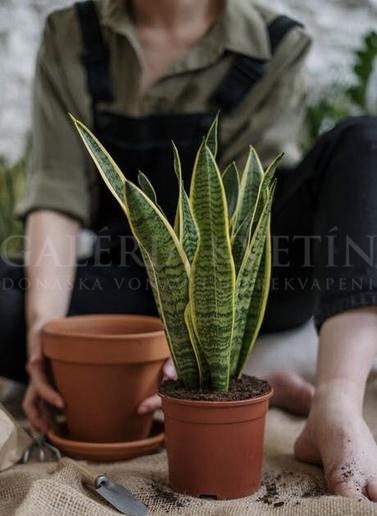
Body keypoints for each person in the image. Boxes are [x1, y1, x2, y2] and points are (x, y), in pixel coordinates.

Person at [1, 0, 377, 500]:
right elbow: (57, 197)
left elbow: (241, 208)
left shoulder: (275, 42)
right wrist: (41, 335)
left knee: (365, 141)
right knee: (20, 311)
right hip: (133, 273)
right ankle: (252, 379)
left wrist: (205, 330)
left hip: (250, 277)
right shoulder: (71, 33)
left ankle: (335, 400)